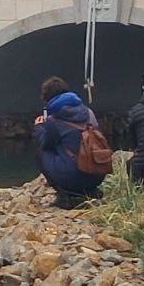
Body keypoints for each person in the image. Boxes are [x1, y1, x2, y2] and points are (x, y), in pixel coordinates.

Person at [32, 76, 106, 208]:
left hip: (71, 179)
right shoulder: (89, 113)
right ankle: (90, 190)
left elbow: (46, 144)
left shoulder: (54, 120)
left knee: (41, 151)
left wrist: (39, 128)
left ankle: (63, 194)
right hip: (97, 174)